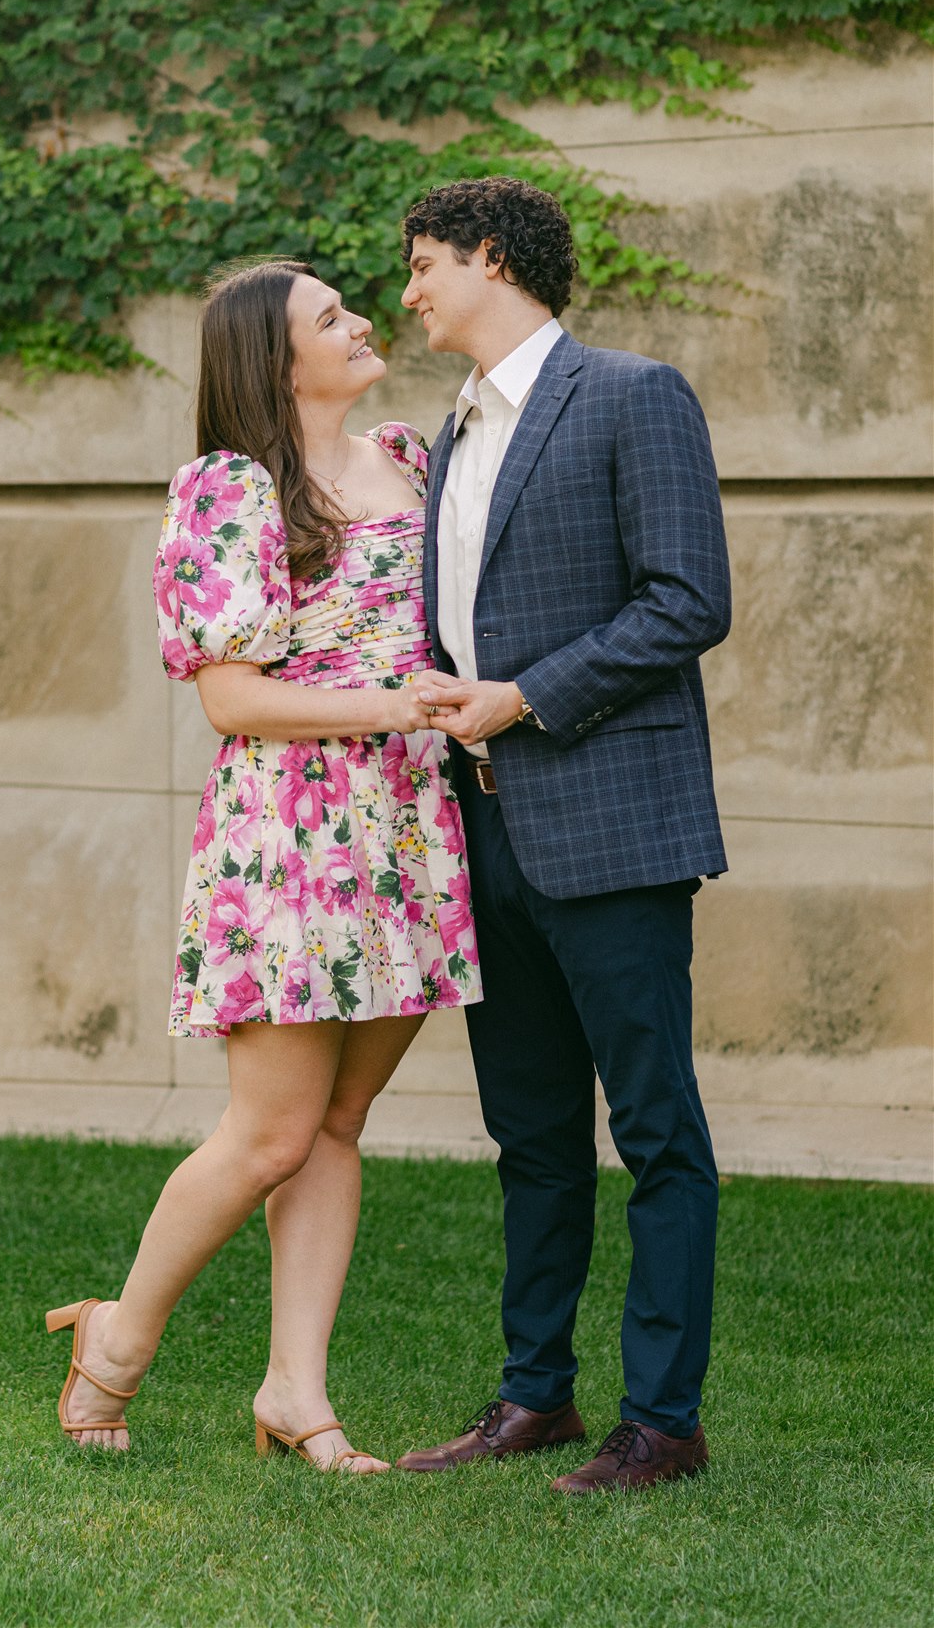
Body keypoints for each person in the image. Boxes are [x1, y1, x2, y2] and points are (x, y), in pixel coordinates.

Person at [45, 257, 481, 1472]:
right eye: (328, 317)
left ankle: (297, 1392)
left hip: (406, 828)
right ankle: (116, 1341)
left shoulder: (408, 450)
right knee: (269, 1132)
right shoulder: (228, 489)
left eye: (350, 304)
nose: (360, 322)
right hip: (295, 828)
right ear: (273, 361)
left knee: (337, 1120)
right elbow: (232, 701)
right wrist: (396, 705)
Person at [394, 177, 731, 1494]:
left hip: (612, 826)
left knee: (654, 1131)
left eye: (421, 263)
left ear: (489, 257)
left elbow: (684, 601)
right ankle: (531, 1394)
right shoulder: (452, 428)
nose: (409, 290)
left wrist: (521, 697)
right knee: (530, 1134)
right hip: (485, 833)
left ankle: (663, 1421)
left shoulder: (631, 395)